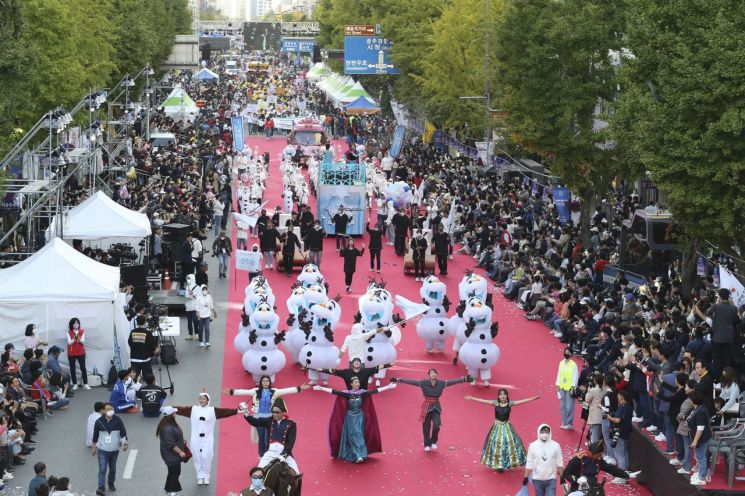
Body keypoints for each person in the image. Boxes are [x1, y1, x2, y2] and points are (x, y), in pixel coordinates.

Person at [313, 379, 396, 463]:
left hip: (359, 417)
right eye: (356, 382)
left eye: (358, 382)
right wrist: (321, 388)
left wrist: (388, 387)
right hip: (350, 417)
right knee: (351, 435)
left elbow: (375, 391)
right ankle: (355, 454)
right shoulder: (347, 393)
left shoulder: (362, 393)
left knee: (358, 433)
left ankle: (360, 455)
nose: (358, 384)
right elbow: (334, 391)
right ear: (351, 384)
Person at [225, 377, 309, 456]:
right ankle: (261, 456)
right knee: (261, 439)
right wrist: (231, 391)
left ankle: (268, 455)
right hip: (258, 418)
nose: (265, 383)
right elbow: (243, 391)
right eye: (264, 381)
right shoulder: (255, 391)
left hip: (270, 419)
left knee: (268, 438)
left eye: (267, 381)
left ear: (270, 382)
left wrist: (299, 388)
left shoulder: (274, 391)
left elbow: (286, 391)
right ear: (261, 382)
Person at [390, 370, 472, 450]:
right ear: (428, 375)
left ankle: (433, 441)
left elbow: (452, 382)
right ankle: (426, 444)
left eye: (435, 373)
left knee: (437, 425)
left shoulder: (441, 383)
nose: (433, 374)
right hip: (427, 406)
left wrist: (464, 379)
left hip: (436, 406)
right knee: (426, 426)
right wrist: (398, 379)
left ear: (437, 374)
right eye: (431, 373)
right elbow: (411, 382)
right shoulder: (423, 383)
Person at [465, 389, 539, 471]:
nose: (502, 396)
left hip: (507, 427)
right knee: (496, 445)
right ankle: (498, 464)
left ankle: (508, 463)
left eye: (504, 394)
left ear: (507, 395)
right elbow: (483, 401)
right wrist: (472, 398)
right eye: (501, 395)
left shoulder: (510, 403)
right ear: (498, 396)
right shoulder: (495, 403)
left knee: (508, 444)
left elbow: (522, 401)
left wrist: (533, 398)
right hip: (497, 427)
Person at [175, 390, 238, 485]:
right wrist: (170, 408)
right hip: (196, 439)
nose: (201, 400)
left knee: (207, 456)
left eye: (203, 399)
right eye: (200, 399)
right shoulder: (193, 409)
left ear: (208, 400)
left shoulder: (213, 410)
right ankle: (200, 476)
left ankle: (206, 476)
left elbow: (225, 412)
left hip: (207, 439)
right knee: (197, 457)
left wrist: (237, 411)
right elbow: (181, 409)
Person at [241, 398, 300, 474]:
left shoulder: (291, 424)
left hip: (285, 454)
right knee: (258, 472)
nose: (274, 414)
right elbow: (255, 422)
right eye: (273, 412)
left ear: (283, 412)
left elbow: (290, 442)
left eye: (277, 412)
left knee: (297, 473)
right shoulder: (269, 421)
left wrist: (283, 455)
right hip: (270, 453)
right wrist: (246, 411)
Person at [694, 288, 739, 379]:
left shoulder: (716, 306)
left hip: (717, 339)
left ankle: (718, 380)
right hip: (728, 339)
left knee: (718, 361)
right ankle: (728, 379)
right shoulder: (734, 308)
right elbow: (735, 321)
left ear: (720, 296)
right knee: (727, 361)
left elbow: (707, 312)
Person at [561, 440, 639, 490]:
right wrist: (577, 480)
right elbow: (566, 473)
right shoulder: (578, 459)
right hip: (578, 488)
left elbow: (610, 468)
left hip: (593, 488)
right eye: (599, 454)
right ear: (593, 452)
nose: (600, 456)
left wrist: (626, 474)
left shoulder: (598, 460)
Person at [91, 403, 128, 495]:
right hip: (102, 450)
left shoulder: (118, 420)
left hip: (114, 450)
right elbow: (95, 436)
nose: (110, 410)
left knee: (113, 469)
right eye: (107, 409)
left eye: (111, 409)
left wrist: (125, 443)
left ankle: (111, 483)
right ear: (103, 410)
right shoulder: (99, 421)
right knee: (102, 469)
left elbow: (123, 433)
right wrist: (93, 447)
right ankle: (101, 487)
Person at [523, 424, 563, 496]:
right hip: (537, 480)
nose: (544, 434)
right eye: (542, 432)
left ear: (550, 432)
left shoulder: (556, 445)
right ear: (538, 432)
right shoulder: (533, 446)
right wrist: (525, 477)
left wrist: (562, 476)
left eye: (546, 432)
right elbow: (529, 463)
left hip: (551, 479)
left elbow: (559, 462)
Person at [157, 406, 186, 496]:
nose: (175, 414)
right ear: (171, 415)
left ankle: (168, 489)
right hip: (171, 455)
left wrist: (182, 440)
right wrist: (180, 452)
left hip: (170, 455)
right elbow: (170, 445)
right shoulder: (167, 428)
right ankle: (173, 491)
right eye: (174, 413)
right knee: (175, 473)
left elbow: (174, 436)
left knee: (172, 472)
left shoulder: (169, 424)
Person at [686, 391, 712, 486]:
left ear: (694, 400)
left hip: (700, 439)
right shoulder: (698, 408)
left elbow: (700, 428)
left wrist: (695, 442)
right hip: (698, 438)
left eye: (690, 399)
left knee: (701, 458)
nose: (688, 400)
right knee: (699, 457)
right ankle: (700, 474)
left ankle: (702, 478)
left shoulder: (701, 411)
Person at [607, 389, 633, 471]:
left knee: (619, 455)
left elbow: (617, 420)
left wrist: (609, 417)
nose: (617, 397)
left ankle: (621, 475)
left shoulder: (622, 407)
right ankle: (626, 472)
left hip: (619, 433)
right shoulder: (629, 407)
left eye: (618, 395)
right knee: (624, 453)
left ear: (622, 397)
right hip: (626, 432)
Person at [556, 347, 579, 429]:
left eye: (568, 352)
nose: (566, 353)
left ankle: (569, 423)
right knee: (562, 406)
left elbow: (575, 377)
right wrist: (557, 384)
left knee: (570, 406)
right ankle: (564, 422)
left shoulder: (574, 365)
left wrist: (573, 387)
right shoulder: (561, 363)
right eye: (565, 352)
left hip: (570, 388)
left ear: (571, 354)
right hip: (562, 387)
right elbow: (559, 374)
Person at [66, 317, 90, 390]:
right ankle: (75, 384)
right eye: (75, 323)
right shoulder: (69, 332)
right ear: (72, 324)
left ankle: (85, 384)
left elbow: (83, 341)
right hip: (71, 353)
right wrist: (75, 338)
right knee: (72, 368)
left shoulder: (82, 331)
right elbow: (69, 342)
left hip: (80, 352)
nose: (76, 324)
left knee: (83, 368)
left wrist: (78, 338)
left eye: (77, 323)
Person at [184, 273, 201, 341]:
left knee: (195, 320)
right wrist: (189, 295)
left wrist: (193, 294)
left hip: (194, 306)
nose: (188, 280)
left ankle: (197, 334)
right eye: (187, 279)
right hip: (188, 306)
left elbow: (199, 297)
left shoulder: (197, 287)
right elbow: (186, 295)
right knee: (189, 321)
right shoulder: (187, 287)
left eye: (189, 279)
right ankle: (190, 334)